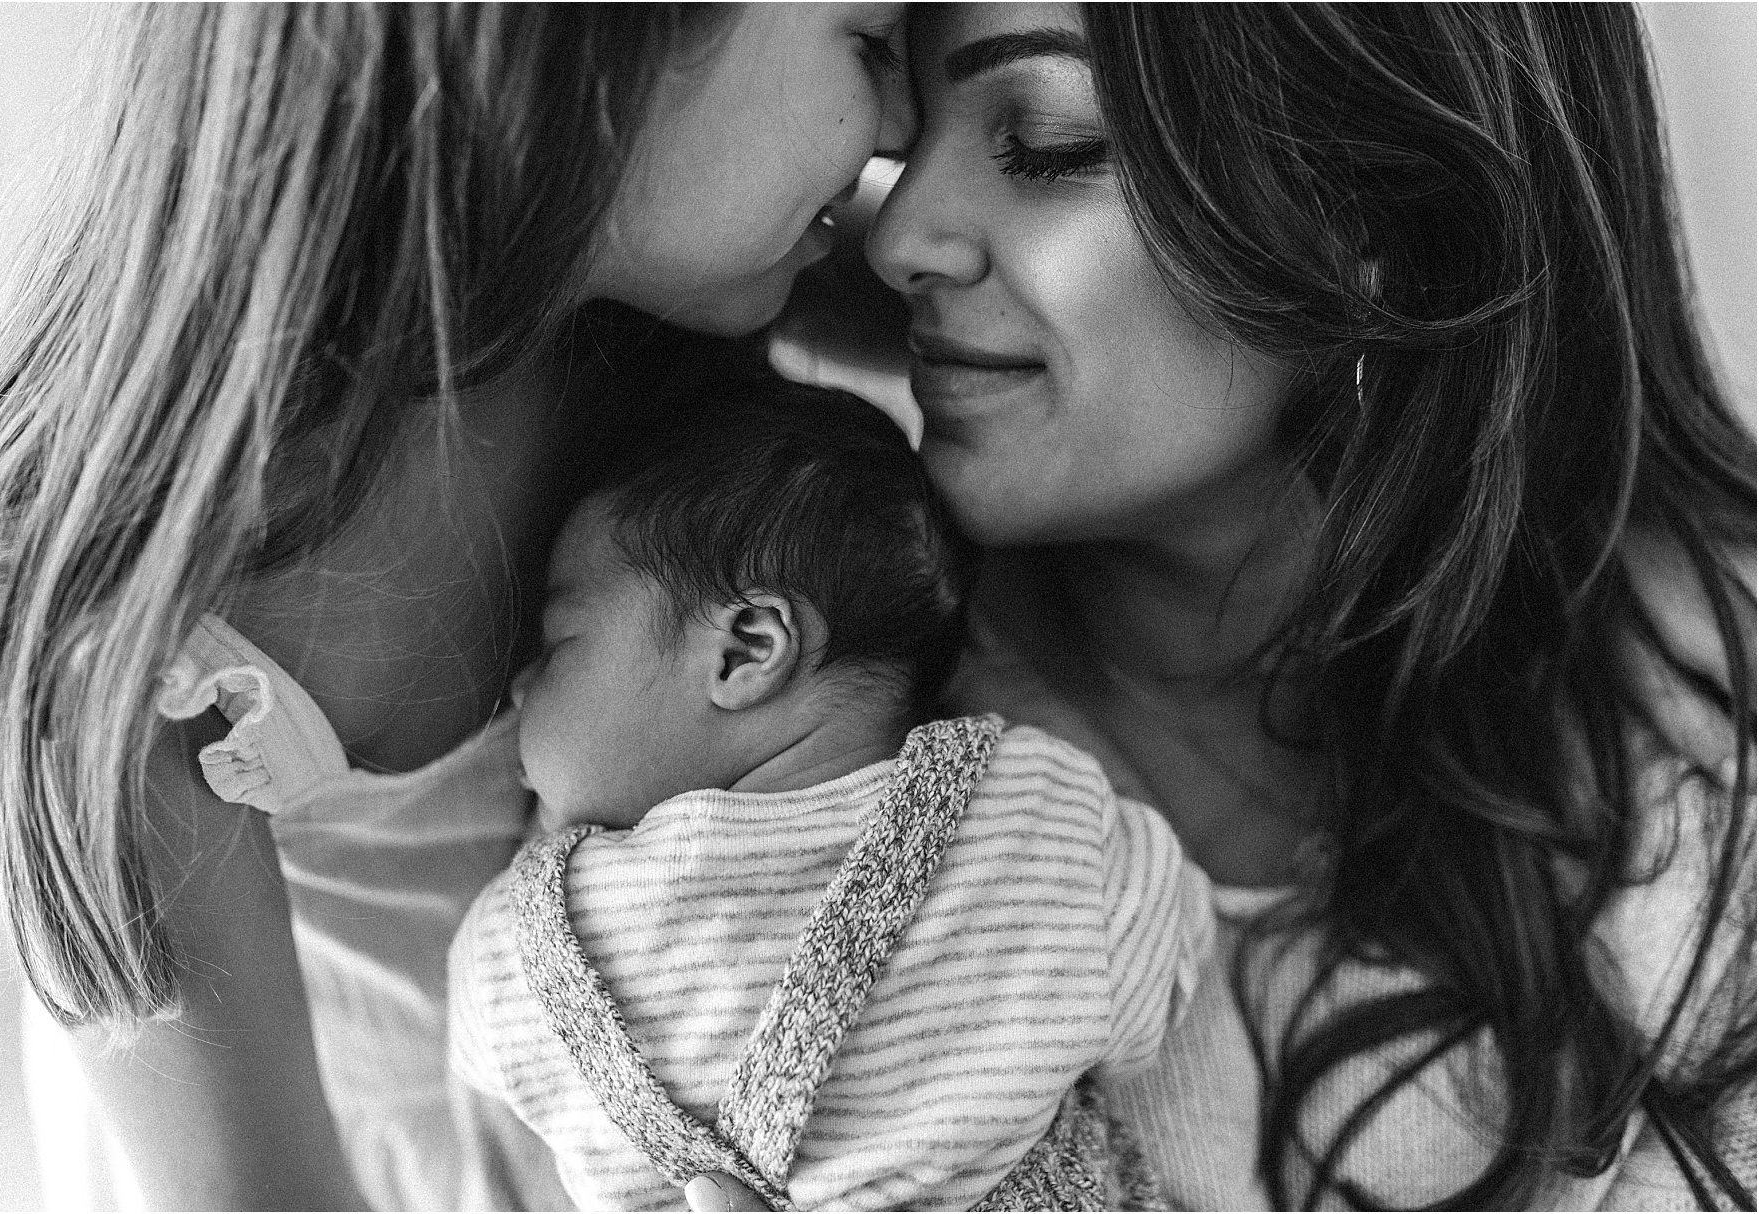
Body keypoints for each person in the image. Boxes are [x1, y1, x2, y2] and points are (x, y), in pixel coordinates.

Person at [687, 4, 1753, 1211]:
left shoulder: (1710, 734)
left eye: (1042, 141)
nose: (901, 240)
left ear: (1374, 217)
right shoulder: (787, 758)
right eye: (911, 136)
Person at [0, 5, 914, 1210]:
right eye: (871, 45)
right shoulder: (142, 629)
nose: (902, 125)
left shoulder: (660, 317)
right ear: (604, 44)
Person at [446, 363, 1212, 1210]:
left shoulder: (524, 955)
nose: (516, 694)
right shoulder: (1045, 817)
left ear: (745, 651)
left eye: (557, 646)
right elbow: (1162, 976)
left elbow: (478, 1073)